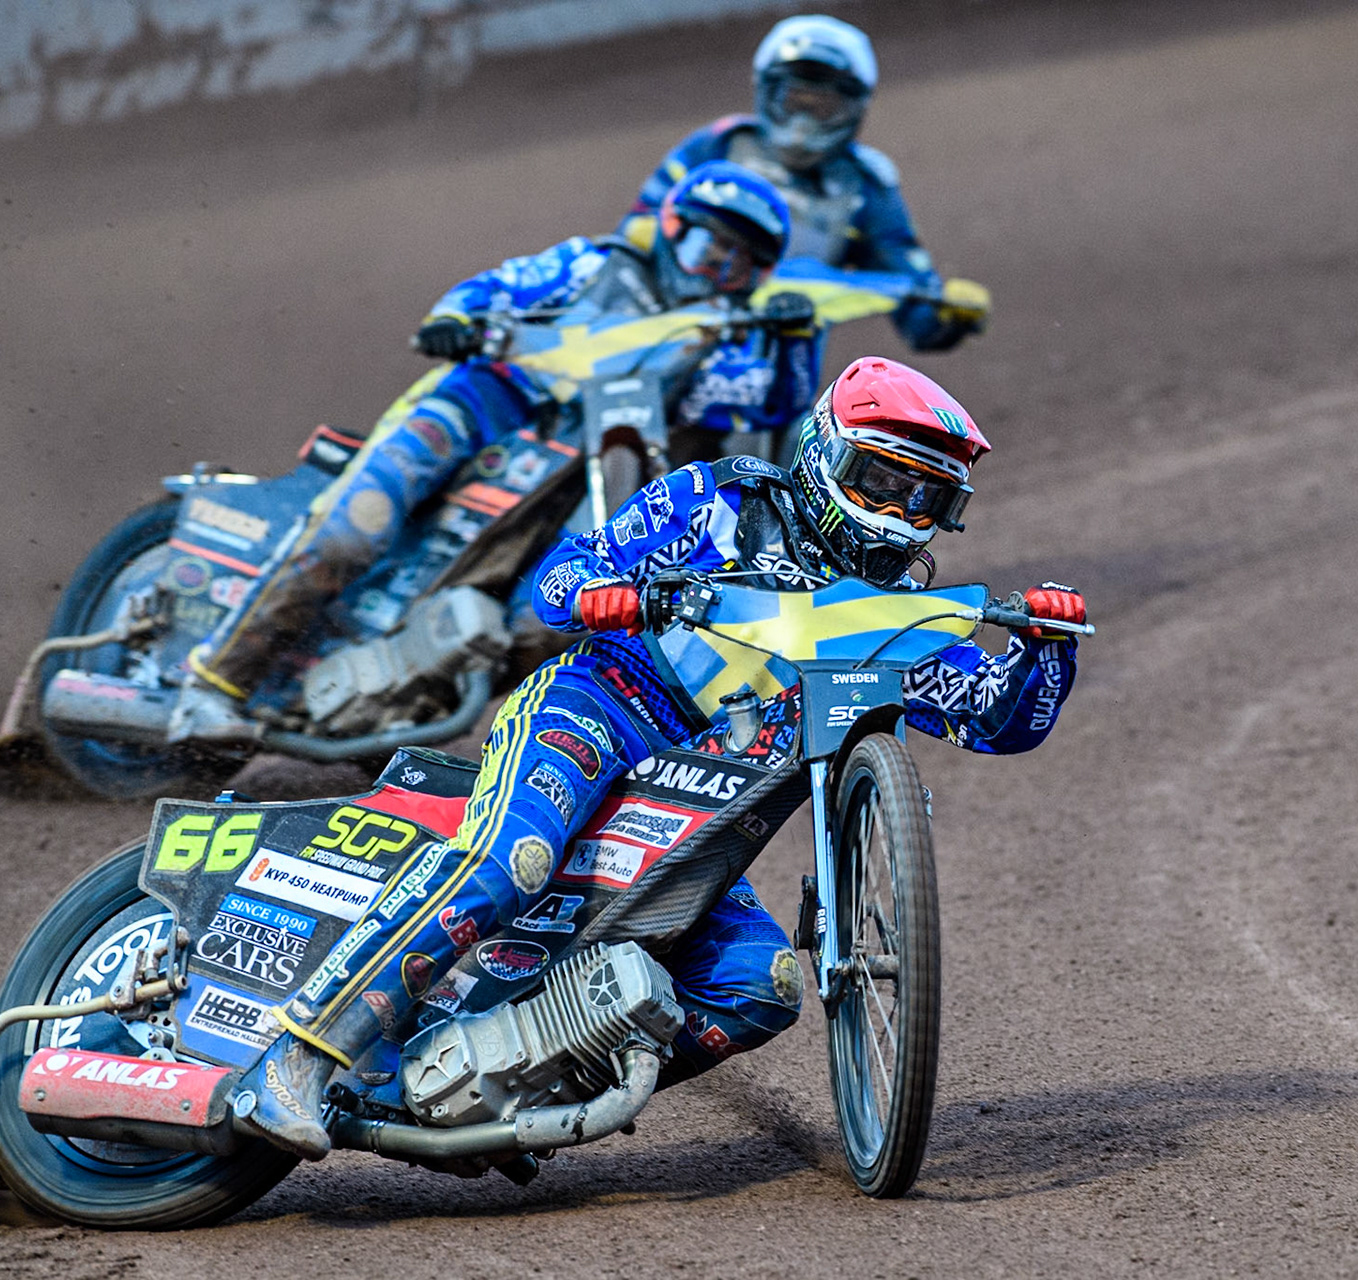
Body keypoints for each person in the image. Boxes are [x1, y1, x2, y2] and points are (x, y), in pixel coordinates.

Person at [233, 355, 1087, 1160]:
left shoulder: (907, 616)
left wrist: (1048, 648)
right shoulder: (724, 500)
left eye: (928, 500)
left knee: (761, 985)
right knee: (510, 860)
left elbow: (1001, 722)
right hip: (602, 709)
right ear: (827, 455)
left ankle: (521, 1100)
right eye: (883, 483)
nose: (900, 514)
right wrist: (630, 590)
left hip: (707, 806)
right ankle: (296, 1055)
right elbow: (562, 582)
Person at [169, 161, 813, 743]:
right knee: (352, 533)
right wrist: (458, 316)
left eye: (737, 264)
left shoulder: (716, 348)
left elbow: (769, 405)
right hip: (480, 407)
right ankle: (210, 683)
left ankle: (406, 695)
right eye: (708, 249)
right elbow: (496, 288)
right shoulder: (595, 265)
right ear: (672, 228)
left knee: (555, 614)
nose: (716, 272)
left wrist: (793, 339)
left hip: (572, 473)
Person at [621, 13, 989, 354]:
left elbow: (917, 313)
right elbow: (629, 242)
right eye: (794, 100)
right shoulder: (718, 145)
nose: (802, 124)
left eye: (822, 108)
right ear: (766, 91)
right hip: (663, 340)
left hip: (774, 368)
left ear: (854, 109)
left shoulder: (864, 188)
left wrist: (949, 317)